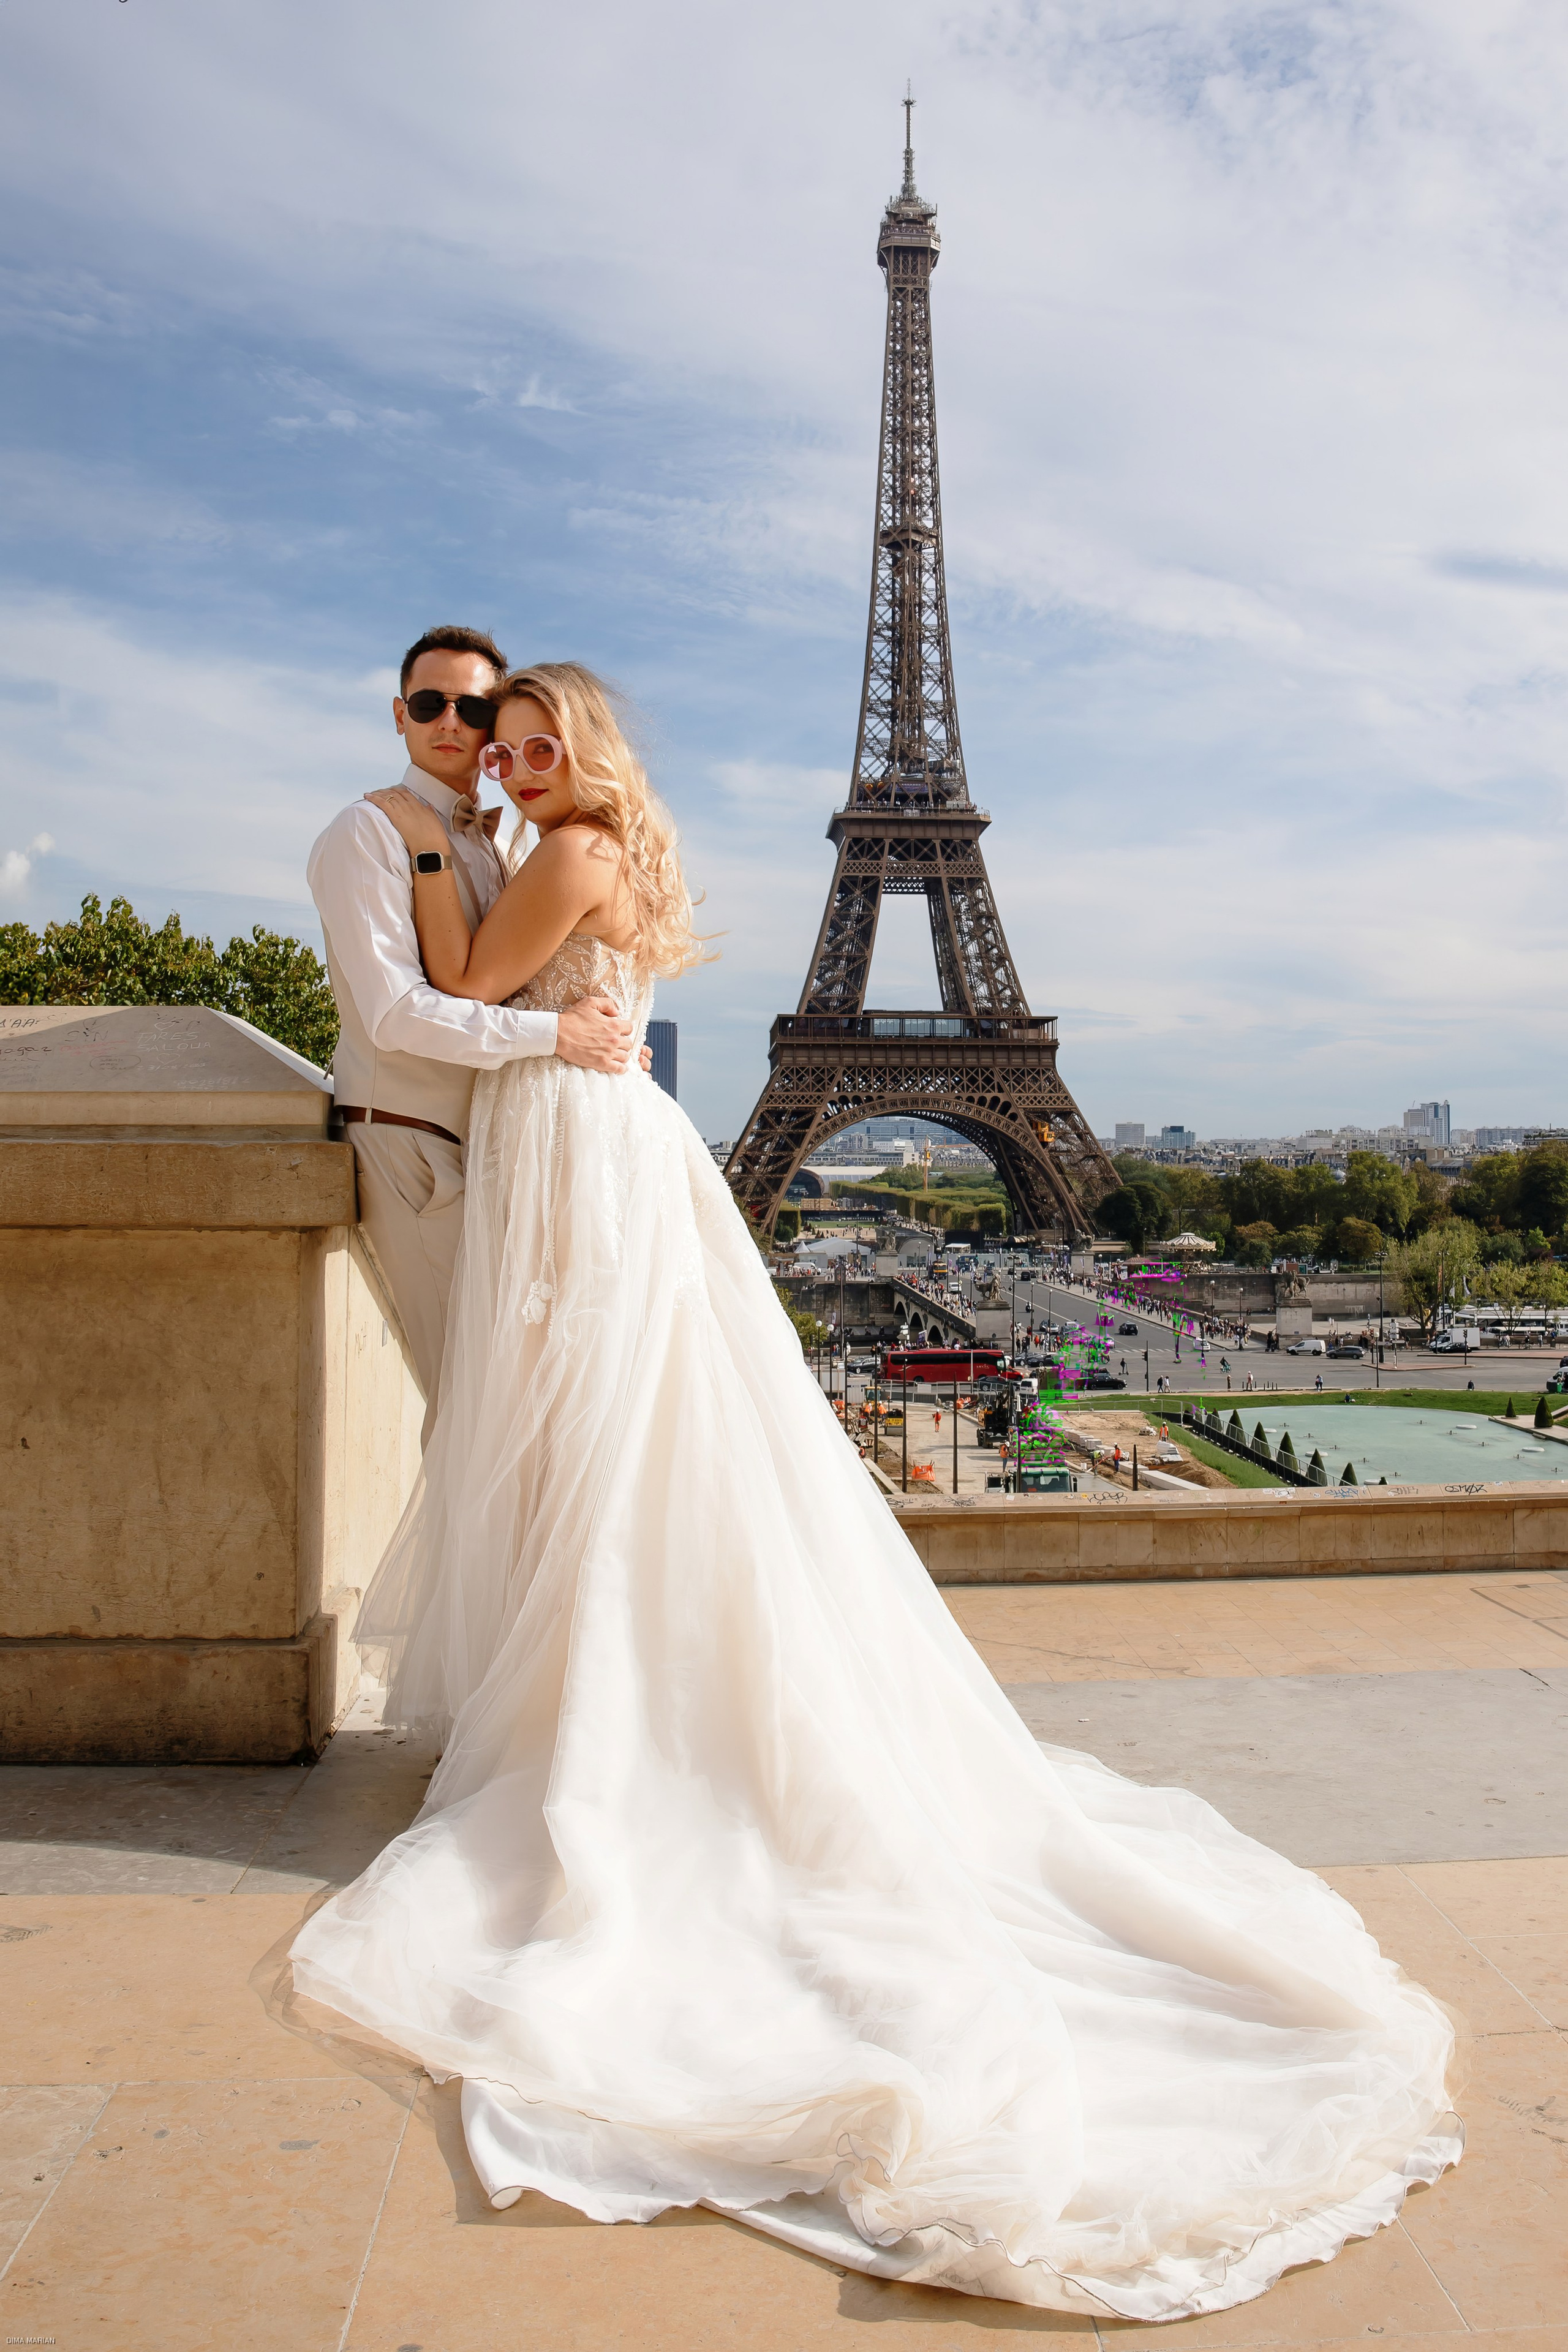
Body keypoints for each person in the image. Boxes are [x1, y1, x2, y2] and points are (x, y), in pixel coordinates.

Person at [290, 665, 1460, 2323]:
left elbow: (461, 978)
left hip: (571, 1132)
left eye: (543, 739)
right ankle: (618, 1713)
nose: (517, 758)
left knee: (593, 1438)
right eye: (504, 737)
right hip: (577, 1136)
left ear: (590, 752)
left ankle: (600, 1729)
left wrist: (453, 858)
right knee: (614, 1445)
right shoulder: (577, 837)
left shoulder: (546, 847)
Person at [309, 625, 645, 1435]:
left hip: (492, 1148)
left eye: (474, 706)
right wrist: (556, 1038)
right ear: (400, 715)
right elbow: (395, 1014)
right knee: (479, 1416)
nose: (451, 721)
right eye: (431, 703)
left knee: (518, 1414)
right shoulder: (369, 833)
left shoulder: (495, 844)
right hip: (415, 1142)